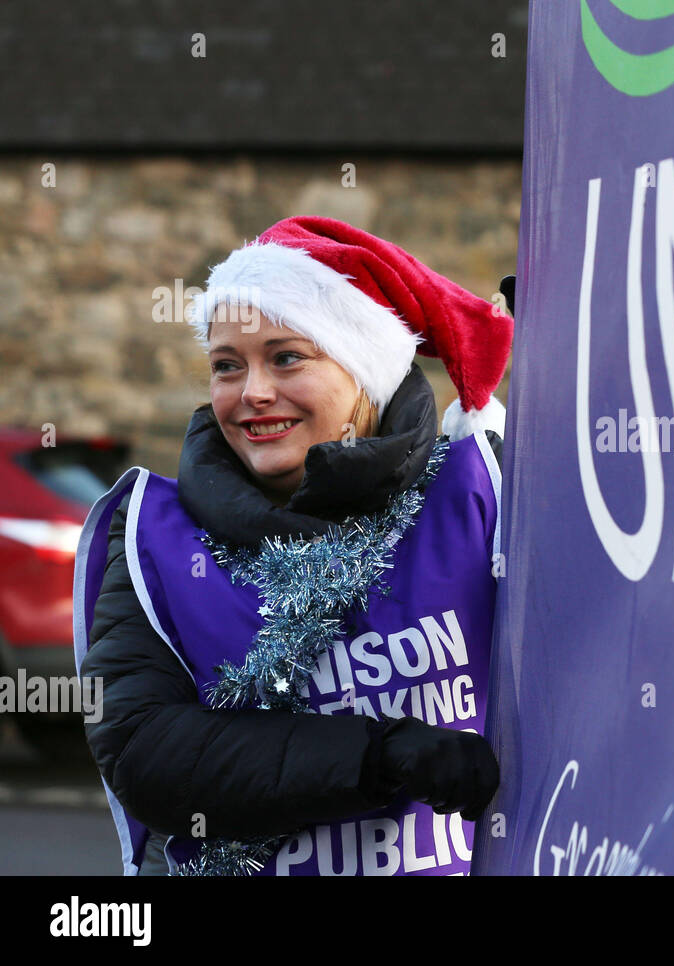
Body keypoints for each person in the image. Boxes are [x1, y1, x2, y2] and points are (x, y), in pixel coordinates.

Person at [72, 216, 513, 876]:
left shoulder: (475, 490)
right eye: (227, 366)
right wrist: (375, 755)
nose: (252, 393)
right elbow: (145, 750)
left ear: (365, 372)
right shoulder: (151, 535)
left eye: (286, 358)